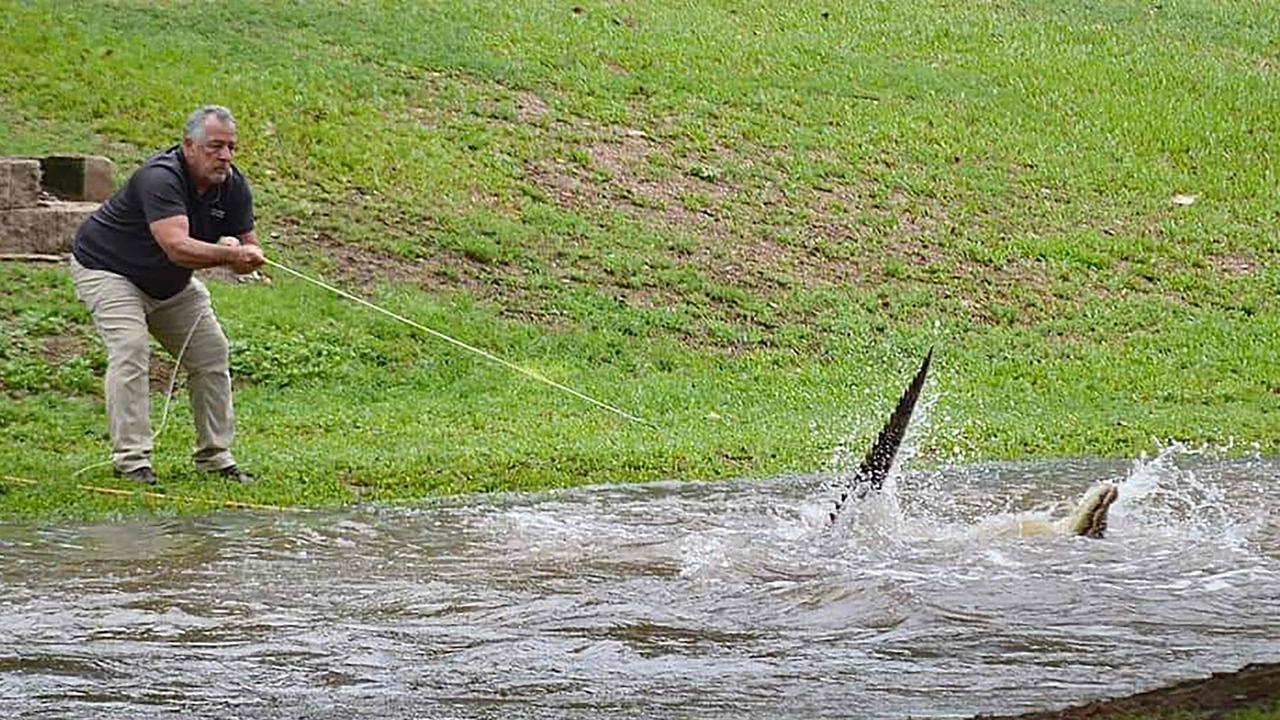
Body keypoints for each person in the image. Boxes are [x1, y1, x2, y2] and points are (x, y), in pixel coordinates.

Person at [69, 105, 266, 485]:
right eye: (215, 147)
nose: (224, 156)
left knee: (211, 352)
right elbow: (177, 247)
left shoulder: (233, 185)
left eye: (231, 147)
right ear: (189, 146)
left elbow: (248, 250)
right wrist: (229, 254)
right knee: (130, 347)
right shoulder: (159, 178)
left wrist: (246, 257)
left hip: (170, 284)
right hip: (109, 270)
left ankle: (216, 458)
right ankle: (132, 462)